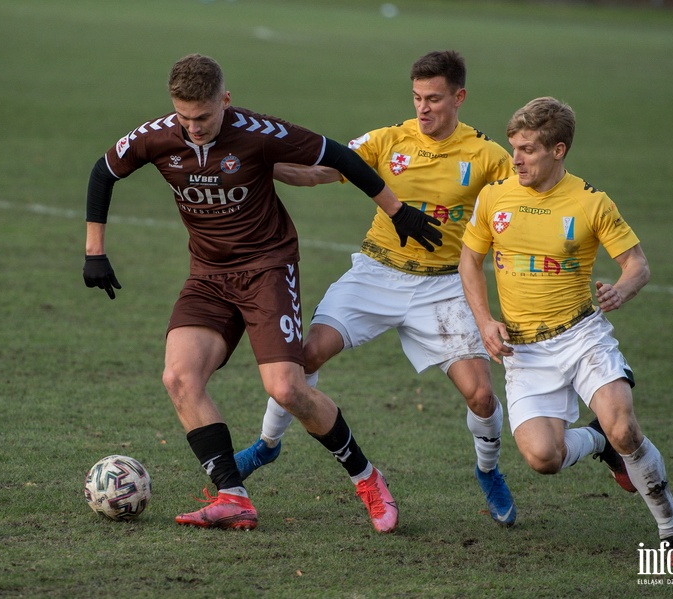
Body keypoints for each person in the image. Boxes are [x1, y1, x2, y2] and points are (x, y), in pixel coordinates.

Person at [82, 53, 444, 533]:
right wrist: (94, 252)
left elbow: (339, 156)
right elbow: (102, 173)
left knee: (287, 388)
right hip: (208, 276)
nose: (193, 128)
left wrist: (398, 212)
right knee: (179, 378)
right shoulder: (156, 136)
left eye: (204, 117)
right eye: (185, 117)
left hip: (267, 270)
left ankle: (368, 478)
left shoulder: (258, 132)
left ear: (224, 101)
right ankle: (234, 497)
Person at [234, 50, 518, 526]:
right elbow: (317, 171)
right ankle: (266, 446)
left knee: (482, 397)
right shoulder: (388, 140)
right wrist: (261, 163)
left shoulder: (489, 157)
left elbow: (521, 212)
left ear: (459, 97)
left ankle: (488, 471)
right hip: (376, 273)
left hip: (443, 288)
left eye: (433, 99)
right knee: (304, 357)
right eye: (416, 97)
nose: (423, 108)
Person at [459, 96, 673, 564]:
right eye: (514, 148)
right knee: (543, 459)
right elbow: (470, 259)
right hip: (524, 351)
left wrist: (622, 291)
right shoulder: (495, 196)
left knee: (626, 428)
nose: (516, 159)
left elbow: (637, 266)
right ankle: (596, 442)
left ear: (558, 150)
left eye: (527, 149)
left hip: (582, 336)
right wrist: (485, 320)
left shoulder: (591, 203)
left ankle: (672, 531)